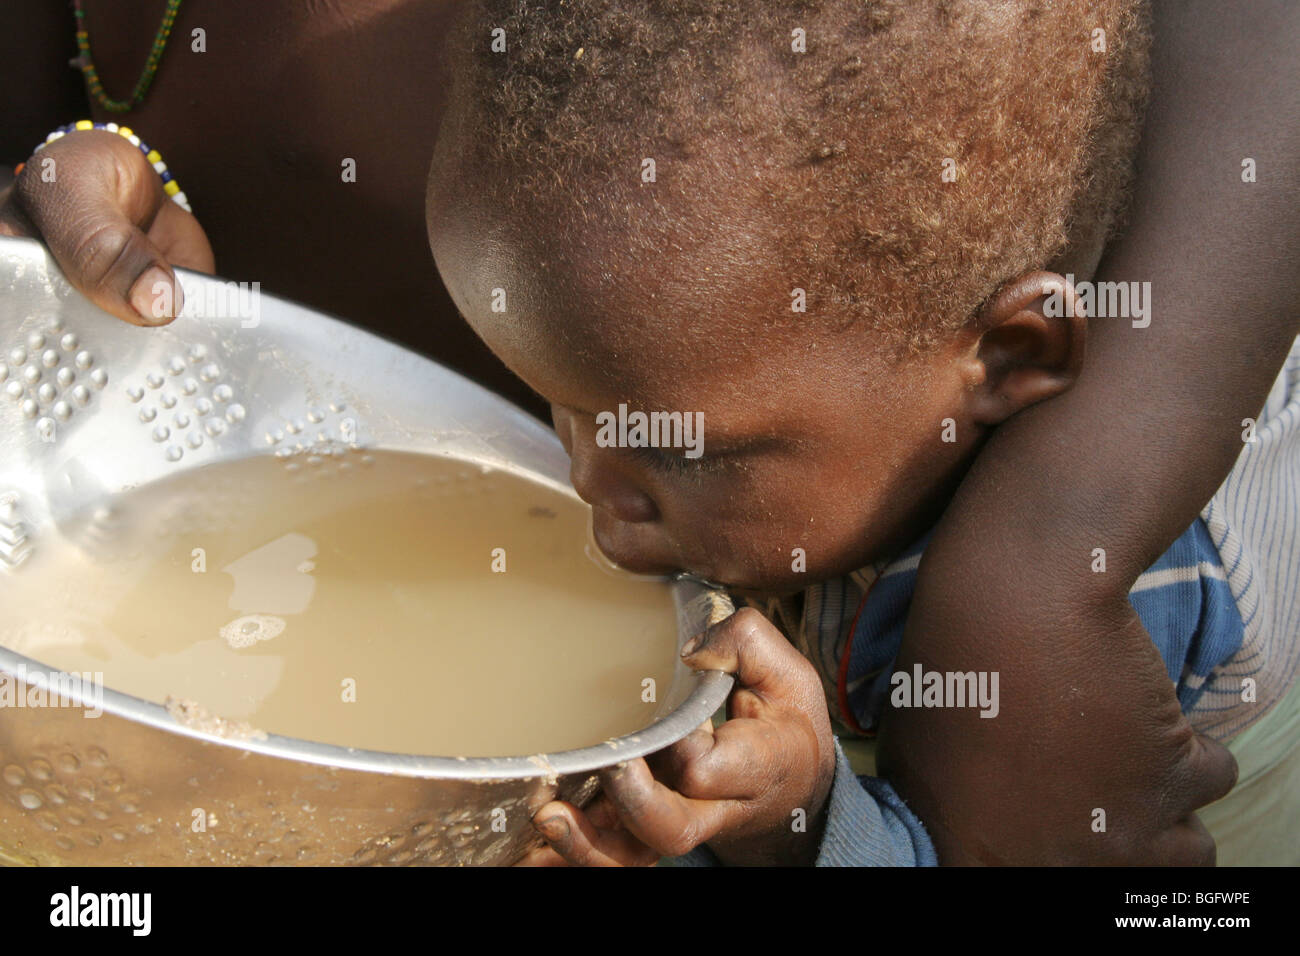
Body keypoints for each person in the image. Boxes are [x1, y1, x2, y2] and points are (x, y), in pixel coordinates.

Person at [421, 0, 1300, 865]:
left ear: (1004, 356)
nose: (588, 487)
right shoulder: (820, 390)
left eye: (686, 449)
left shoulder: (1127, 617)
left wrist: (798, 825)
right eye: (559, 403)